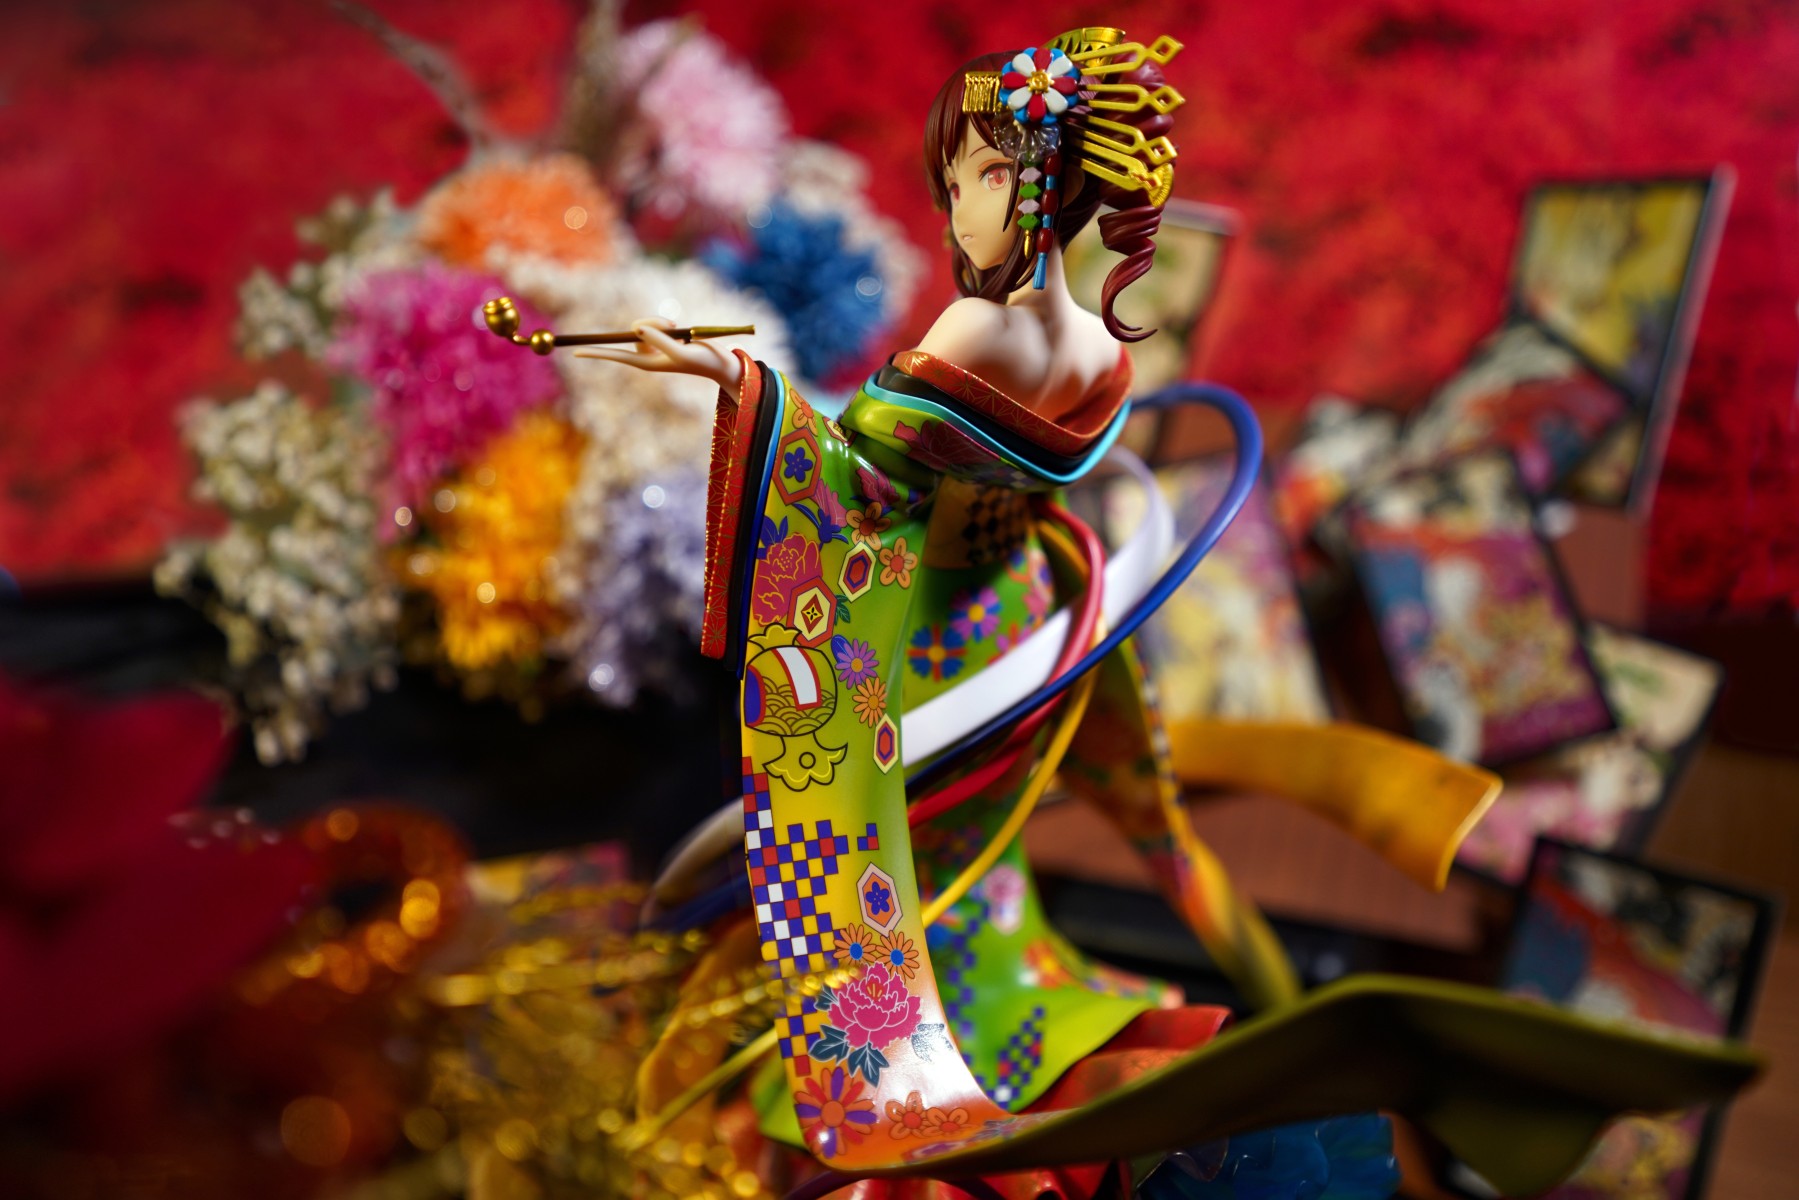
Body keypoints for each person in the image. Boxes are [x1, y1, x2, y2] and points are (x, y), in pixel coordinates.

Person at [567, 29, 1757, 1198]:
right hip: (1039, 598)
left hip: (933, 629)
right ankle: (1289, 1029)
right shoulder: (1092, 340)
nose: (953, 209)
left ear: (1034, 187)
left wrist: (741, 384)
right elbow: (1004, 463)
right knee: (1110, 842)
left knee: (901, 849)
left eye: (972, 178)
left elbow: (859, 478)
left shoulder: (970, 331)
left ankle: (925, 1069)